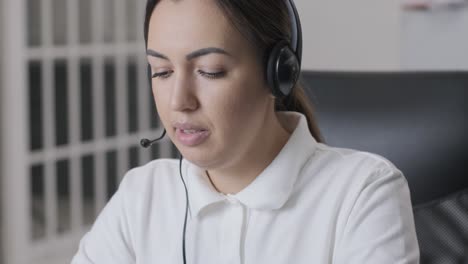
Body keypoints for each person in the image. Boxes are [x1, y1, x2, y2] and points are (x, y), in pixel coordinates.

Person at [71, 0, 420, 263]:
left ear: (278, 75)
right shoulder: (142, 196)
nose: (179, 101)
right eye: (161, 71)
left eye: (209, 71)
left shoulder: (363, 192)